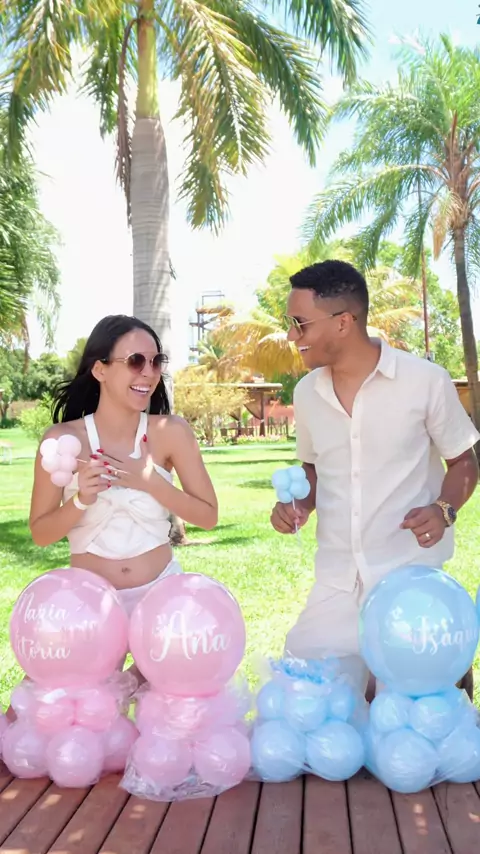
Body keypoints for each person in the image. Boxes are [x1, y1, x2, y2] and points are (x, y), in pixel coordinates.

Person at [270, 260, 479, 694]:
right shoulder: (306, 394)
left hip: (409, 581)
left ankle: (450, 673)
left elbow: (464, 461)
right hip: (336, 583)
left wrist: (443, 510)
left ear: (343, 322)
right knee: (302, 703)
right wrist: (298, 504)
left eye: (299, 323)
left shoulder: (425, 381)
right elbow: (313, 468)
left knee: (417, 712)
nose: (291, 336)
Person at [30, 314, 218, 617]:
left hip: (163, 601)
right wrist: (81, 500)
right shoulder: (62, 440)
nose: (148, 373)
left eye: (156, 362)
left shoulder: (172, 432)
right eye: (135, 361)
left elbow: (208, 516)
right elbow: (41, 534)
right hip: (88, 608)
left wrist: (150, 481)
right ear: (100, 369)